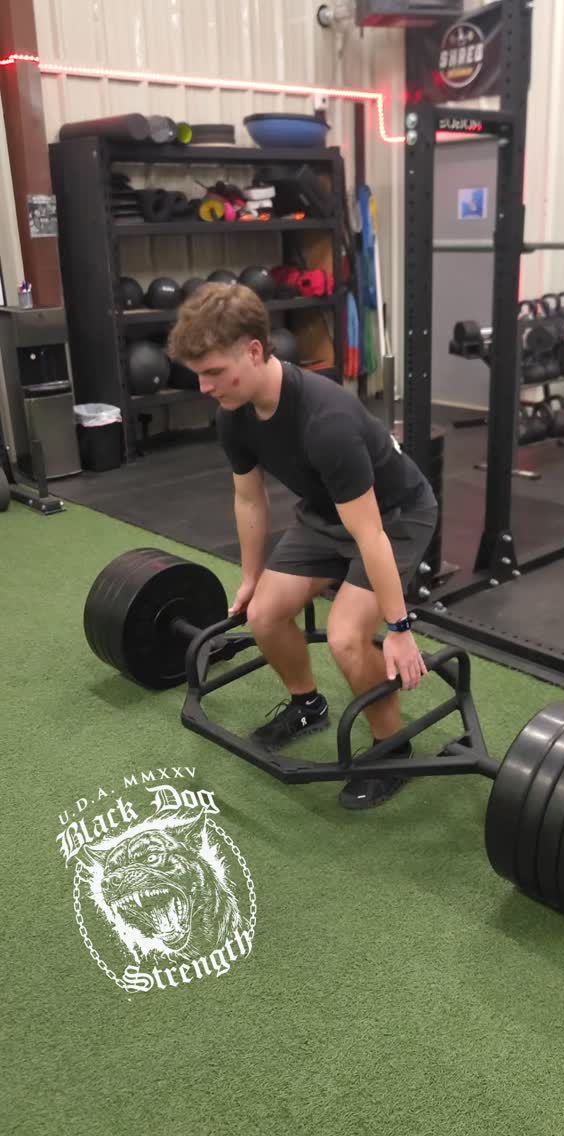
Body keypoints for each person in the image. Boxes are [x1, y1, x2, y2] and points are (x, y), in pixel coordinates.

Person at [168, 283, 438, 810]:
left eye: (214, 372)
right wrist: (251, 578)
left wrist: (400, 629)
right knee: (263, 615)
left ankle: (392, 748)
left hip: (395, 517)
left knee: (346, 637)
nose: (204, 387)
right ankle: (307, 704)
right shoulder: (233, 413)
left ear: (253, 350)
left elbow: (370, 534)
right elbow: (249, 499)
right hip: (324, 514)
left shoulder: (325, 420)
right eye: (198, 374)